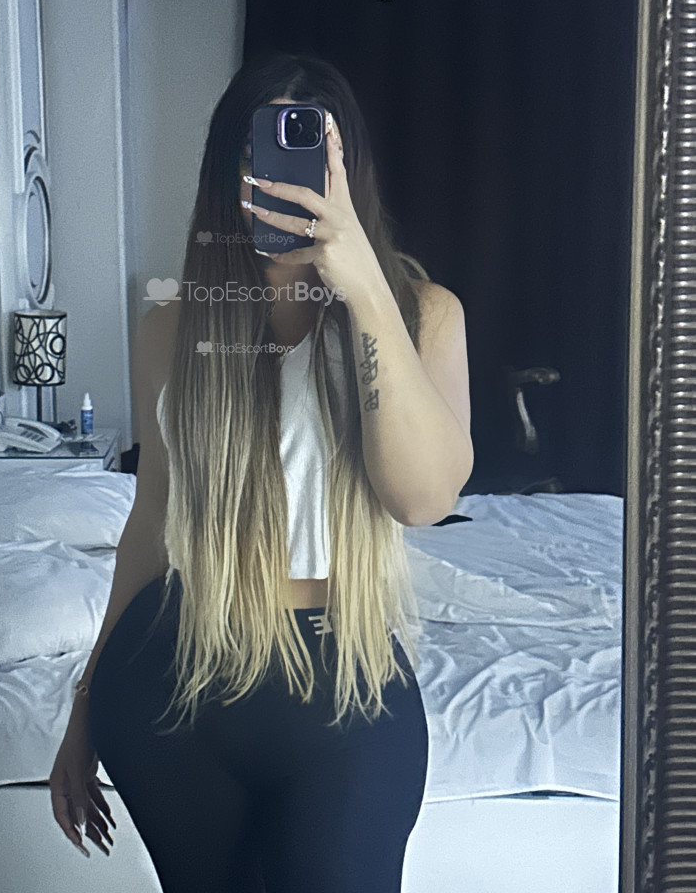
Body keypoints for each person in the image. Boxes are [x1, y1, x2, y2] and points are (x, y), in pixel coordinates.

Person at [49, 53, 473, 892]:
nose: (273, 182)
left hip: (344, 680)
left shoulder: (421, 315)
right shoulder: (171, 330)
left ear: (346, 171)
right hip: (171, 678)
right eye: (252, 156)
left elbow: (423, 498)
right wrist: (84, 706)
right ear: (225, 172)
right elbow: (150, 524)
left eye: (306, 157)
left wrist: (363, 288)